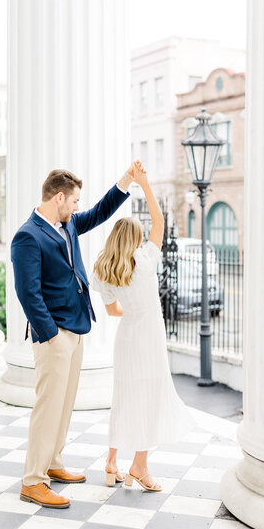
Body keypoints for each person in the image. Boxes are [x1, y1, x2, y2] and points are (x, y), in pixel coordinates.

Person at [11, 166, 135, 508]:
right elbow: (27, 292)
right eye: (75, 199)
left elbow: (99, 212)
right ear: (59, 197)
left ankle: (53, 463)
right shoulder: (27, 236)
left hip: (76, 326)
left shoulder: (68, 225)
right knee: (47, 407)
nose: (79, 206)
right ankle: (32, 481)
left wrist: (125, 181)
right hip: (54, 335)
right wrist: (50, 335)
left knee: (64, 407)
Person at [91, 161, 196, 492]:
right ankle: (139, 465)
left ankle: (111, 462)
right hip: (149, 336)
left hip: (127, 338)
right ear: (136, 238)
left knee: (123, 399)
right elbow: (160, 221)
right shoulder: (146, 260)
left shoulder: (105, 269)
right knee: (148, 399)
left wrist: (132, 311)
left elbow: (113, 311)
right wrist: (144, 184)